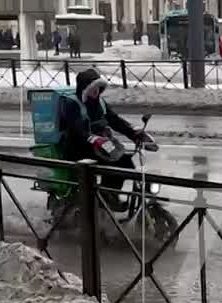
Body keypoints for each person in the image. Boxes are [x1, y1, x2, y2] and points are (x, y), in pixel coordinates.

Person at [57, 68, 157, 211]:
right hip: (78, 149)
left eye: (99, 88)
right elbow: (76, 130)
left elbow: (115, 120)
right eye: (93, 88)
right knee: (112, 164)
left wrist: (134, 134)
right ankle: (104, 200)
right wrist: (92, 138)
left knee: (125, 162)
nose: (96, 91)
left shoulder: (100, 102)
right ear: (84, 88)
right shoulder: (72, 104)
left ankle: (108, 196)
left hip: (100, 146)